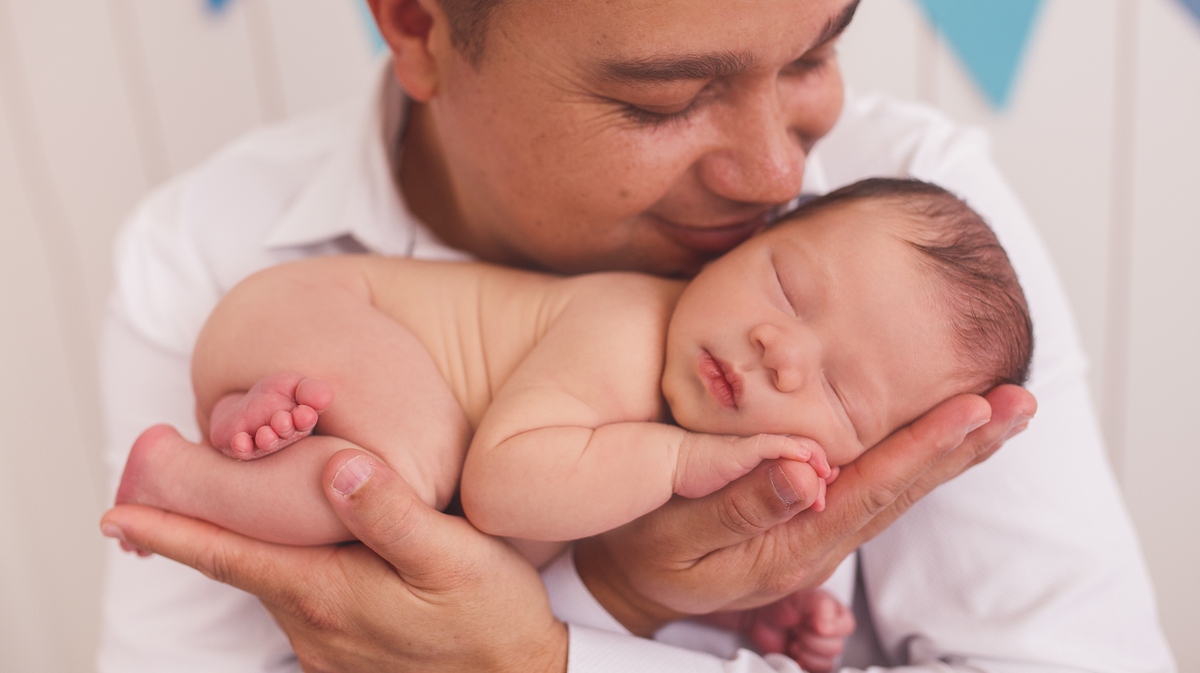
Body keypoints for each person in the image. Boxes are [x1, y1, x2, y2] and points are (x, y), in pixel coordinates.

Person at [96, 0, 1173, 671]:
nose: (777, 171)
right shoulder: (215, 251)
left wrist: (554, 651)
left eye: (814, 55)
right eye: (664, 101)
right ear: (416, 22)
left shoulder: (912, 224)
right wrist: (611, 595)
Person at [115, 180, 1031, 552]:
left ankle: (259, 420)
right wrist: (677, 463)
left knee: (387, 472)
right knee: (408, 479)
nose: (777, 349)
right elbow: (505, 492)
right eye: (786, 287)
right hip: (316, 312)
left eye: (838, 390)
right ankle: (179, 474)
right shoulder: (632, 326)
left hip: (321, 360)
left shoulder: (695, 427)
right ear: (750, 239)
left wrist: (756, 620)